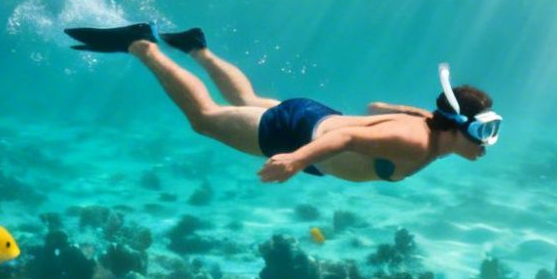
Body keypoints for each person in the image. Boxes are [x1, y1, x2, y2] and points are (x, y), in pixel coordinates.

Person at [64, 23, 499, 183]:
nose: (486, 143)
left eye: (492, 129)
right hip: (299, 134)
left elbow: (372, 108)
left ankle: (198, 48)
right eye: (482, 131)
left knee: (249, 100)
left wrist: (394, 108)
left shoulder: (428, 123)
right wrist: (292, 161)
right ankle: (142, 45)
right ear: (457, 126)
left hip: (313, 118)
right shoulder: (417, 143)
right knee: (205, 119)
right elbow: (348, 136)